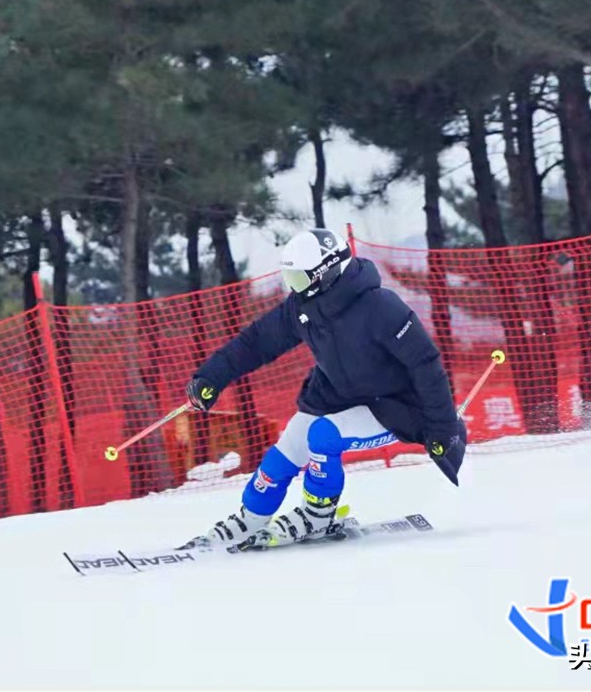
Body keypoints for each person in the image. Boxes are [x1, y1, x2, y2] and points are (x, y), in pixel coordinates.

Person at [185, 227, 466, 550]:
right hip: (339, 398)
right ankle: (251, 517)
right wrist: (212, 377)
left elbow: (426, 364)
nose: (295, 288)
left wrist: (443, 429)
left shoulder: (380, 307)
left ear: (326, 273)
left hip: (396, 409)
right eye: (290, 279)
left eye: (300, 279)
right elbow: (257, 342)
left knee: (323, 434)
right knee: (289, 444)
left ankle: (318, 514)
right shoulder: (304, 306)